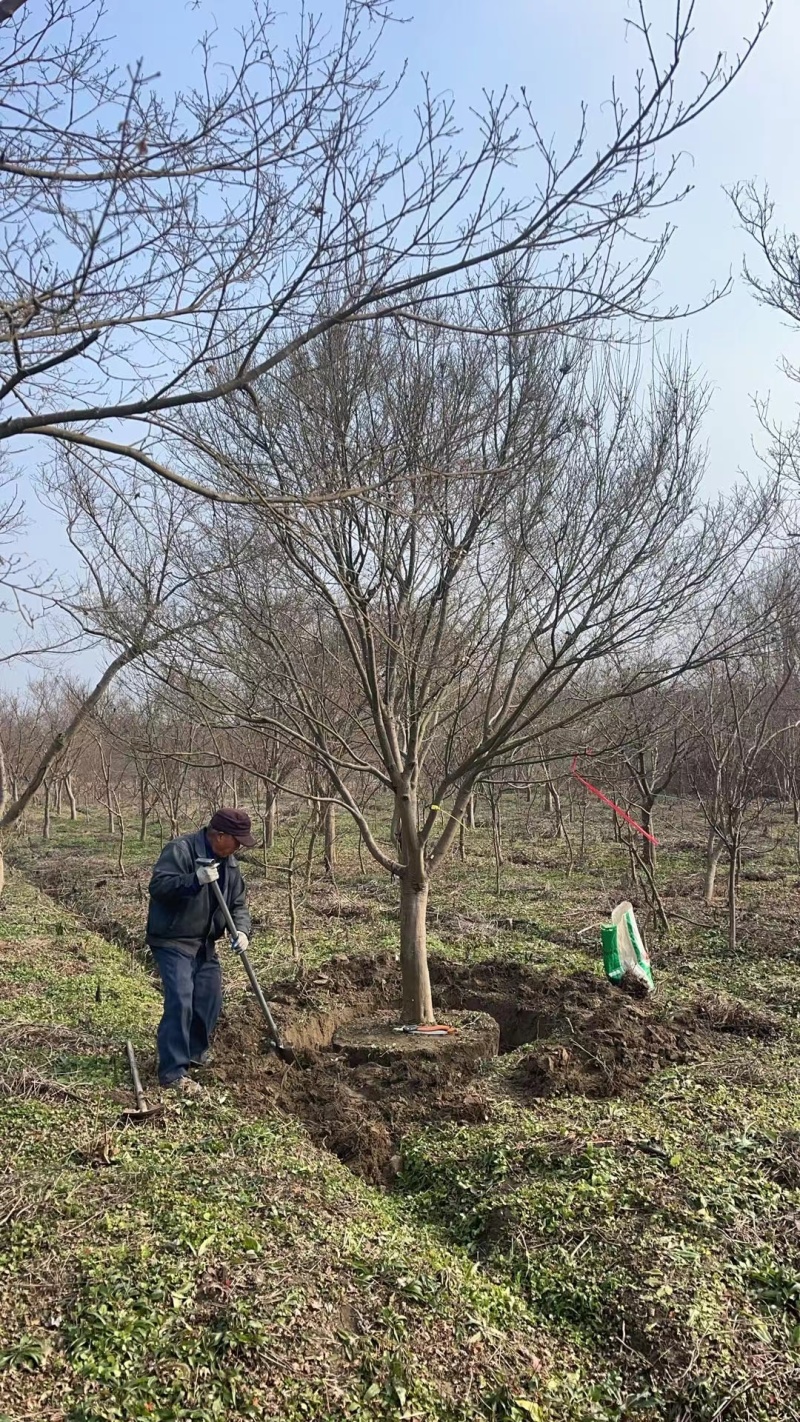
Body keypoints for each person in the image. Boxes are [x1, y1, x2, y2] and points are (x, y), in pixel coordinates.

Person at [146, 808, 256, 1095]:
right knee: (181, 999)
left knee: (209, 997)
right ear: (219, 836)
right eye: (237, 840)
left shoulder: (229, 863)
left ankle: (195, 1051)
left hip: (204, 942)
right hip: (172, 938)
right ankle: (173, 1072)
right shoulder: (181, 850)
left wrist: (242, 930)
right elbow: (158, 887)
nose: (240, 847)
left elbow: (239, 904)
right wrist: (194, 879)